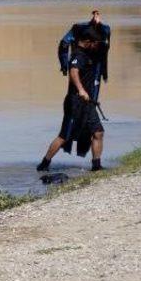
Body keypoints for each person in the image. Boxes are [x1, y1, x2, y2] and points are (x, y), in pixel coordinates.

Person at [37, 10, 111, 172]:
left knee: (98, 132)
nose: (99, 45)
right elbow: (73, 72)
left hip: (88, 103)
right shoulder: (79, 55)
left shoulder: (92, 49)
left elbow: (102, 32)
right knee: (65, 136)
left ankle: (96, 167)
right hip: (75, 101)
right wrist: (81, 90)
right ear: (88, 42)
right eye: (96, 42)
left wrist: (95, 22)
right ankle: (44, 164)